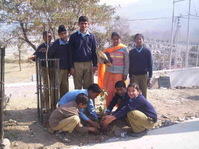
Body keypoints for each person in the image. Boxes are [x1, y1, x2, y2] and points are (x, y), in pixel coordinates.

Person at [98, 32, 129, 107]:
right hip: (109, 73)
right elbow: (101, 61)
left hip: (119, 74)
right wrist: (103, 59)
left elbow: (127, 62)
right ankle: (108, 109)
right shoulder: (108, 50)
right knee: (108, 91)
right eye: (114, 39)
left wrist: (125, 73)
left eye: (117, 39)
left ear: (120, 39)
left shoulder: (124, 49)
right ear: (111, 39)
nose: (115, 41)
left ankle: (120, 109)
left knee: (119, 92)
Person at [69, 16, 97, 89]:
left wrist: (95, 65)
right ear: (78, 24)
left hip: (88, 63)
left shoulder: (92, 36)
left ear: (88, 24)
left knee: (88, 86)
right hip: (77, 64)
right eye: (82, 23)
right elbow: (70, 52)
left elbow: (94, 51)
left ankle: (88, 100)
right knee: (77, 86)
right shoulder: (73, 36)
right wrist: (71, 67)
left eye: (85, 23)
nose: (83, 25)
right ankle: (79, 100)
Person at [29, 31, 52, 110]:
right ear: (43, 38)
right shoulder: (41, 46)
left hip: (53, 69)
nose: (48, 38)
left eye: (50, 36)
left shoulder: (54, 45)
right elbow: (36, 55)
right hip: (44, 68)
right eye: (47, 36)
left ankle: (53, 105)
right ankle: (46, 105)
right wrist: (32, 57)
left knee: (54, 87)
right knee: (46, 86)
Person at [48, 25, 73, 97]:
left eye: (65, 33)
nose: (64, 35)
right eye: (62, 34)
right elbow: (50, 55)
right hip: (57, 70)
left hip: (65, 70)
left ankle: (64, 106)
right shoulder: (56, 44)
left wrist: (70, 68)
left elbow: (70, 56)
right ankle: (54, 106)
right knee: (56, 88)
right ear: (59, 35)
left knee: (65, 89)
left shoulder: (68, 43)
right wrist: (53, 67)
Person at [129, 33, 153, 98]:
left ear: (143, 40)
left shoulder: (147, 51)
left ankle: (143, 107)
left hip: (144, 76)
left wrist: (150, 77)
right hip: (134, 76)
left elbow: (150, 64)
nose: (138, 40)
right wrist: (130, 76)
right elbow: (130, 65)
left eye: (140, 39)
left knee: (143, 93)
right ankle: (135, 107)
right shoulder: (131, 52)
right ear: (134, 40)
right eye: (137, 39)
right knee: (134, 92)